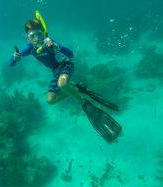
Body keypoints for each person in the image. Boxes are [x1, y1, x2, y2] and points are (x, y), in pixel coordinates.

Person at [9, 11, 122, 142]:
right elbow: (12, 64)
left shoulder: (49, 43)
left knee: (62, 84)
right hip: (56, 72)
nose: (36, 39)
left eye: (39, 34)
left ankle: (83, 103)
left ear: (43, 33)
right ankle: (77, 88)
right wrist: (15, 58)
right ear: (27, 38)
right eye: (32, 36)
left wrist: (57, 47)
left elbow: (70, 54)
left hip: (66, 64)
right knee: (50, 100)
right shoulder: (29, 48)